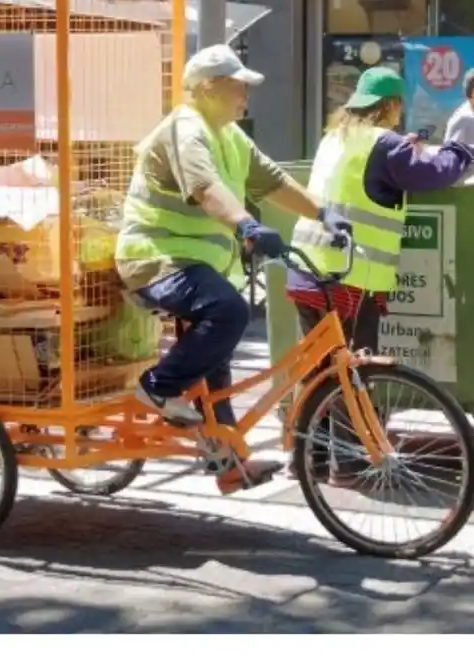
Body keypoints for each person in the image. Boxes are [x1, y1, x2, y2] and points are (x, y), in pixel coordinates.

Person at [114, 44, 331, 495]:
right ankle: (157, 387)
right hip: (153, 259)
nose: (245, 96)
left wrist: (324, 214)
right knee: (230, 313)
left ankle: (229, 463)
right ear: (209, 88)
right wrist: (247, 224)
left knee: (217, 362)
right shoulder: (186, 130)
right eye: (238, 87)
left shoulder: (228, 134)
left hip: (193, 264)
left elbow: (272, 179)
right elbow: (206, 188)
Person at [286, 67, 474, 482]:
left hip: (307, 271)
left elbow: (373, 173)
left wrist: (407, 149)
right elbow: (431, 173)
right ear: (392, 105)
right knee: (354, 374)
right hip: (350, 278)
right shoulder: (387, 144)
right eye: (399, 107)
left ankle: (309, 460)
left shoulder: (334, 139)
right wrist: (460, 152)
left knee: (318, 371)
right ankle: (354, 462)